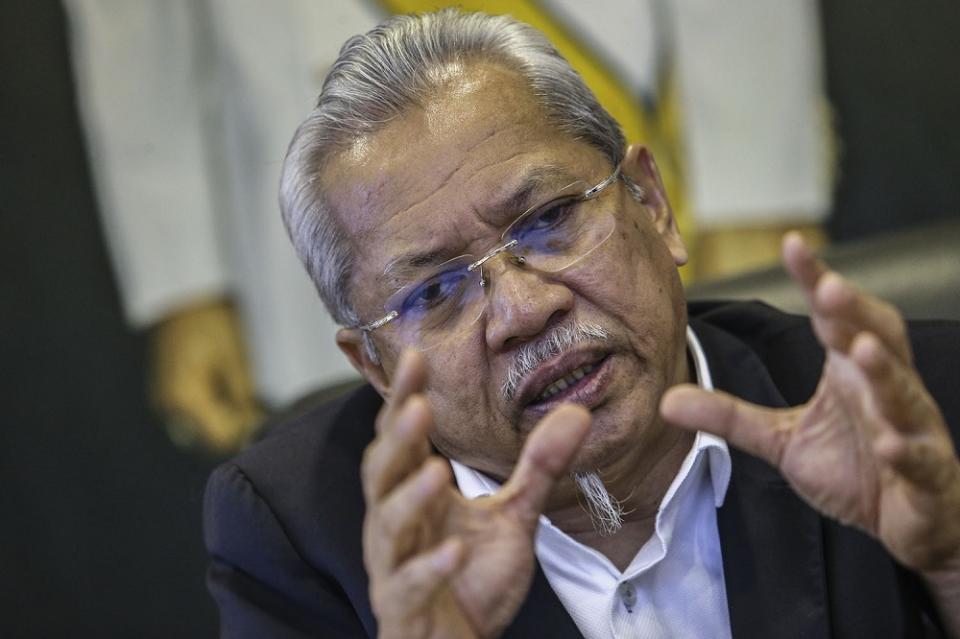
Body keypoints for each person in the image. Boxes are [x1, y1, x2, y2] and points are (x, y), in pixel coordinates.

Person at [203, 9, 960, 638]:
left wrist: (951, 562)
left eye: (550, 219)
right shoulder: (306, 539)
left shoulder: (914, 416)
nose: (525, 311)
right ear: (374, 365)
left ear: (650, 205)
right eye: (436, 291)